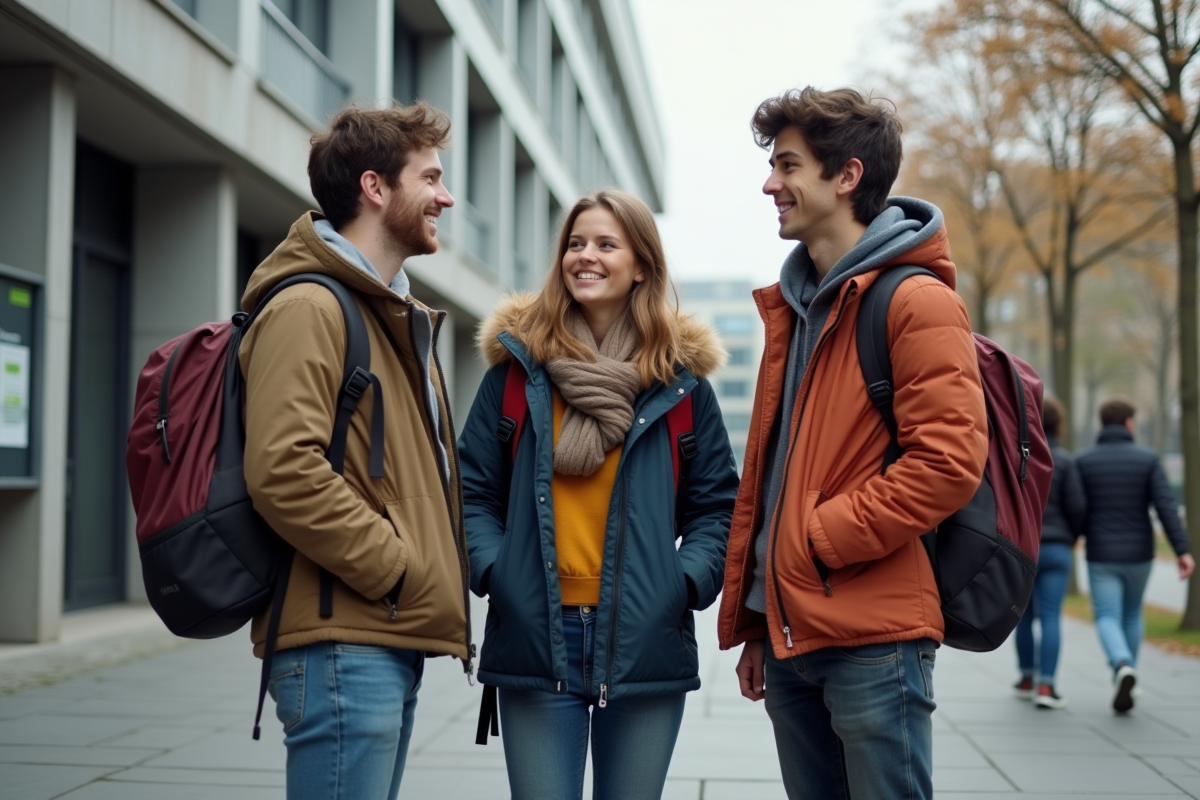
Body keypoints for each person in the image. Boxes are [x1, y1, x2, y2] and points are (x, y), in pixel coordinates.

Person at [716, 87, 988, 800]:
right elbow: (779, 473)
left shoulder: (915, 300)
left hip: (874, 640)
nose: (770, 183)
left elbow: (948, 463)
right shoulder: (798, 307)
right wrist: (757, 614)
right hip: (792, 640)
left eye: (788, 165)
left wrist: (820, 540)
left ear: (847, 176)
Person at [458, 189, 739, 800]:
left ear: (641, 264)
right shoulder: (516, 373)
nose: (585, 256)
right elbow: (470, 491)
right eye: (575, 244)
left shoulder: (681, 385)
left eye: (606, 244)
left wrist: (681, 581)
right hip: (536, 633)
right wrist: (496, 570)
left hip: (644, 637)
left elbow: (718, 507)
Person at [239, 102, 471, 800]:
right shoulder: (311, 307)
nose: (446, 196)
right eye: (430, 177)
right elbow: (283, 470)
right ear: (376, 187)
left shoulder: (387, 310)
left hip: (376, 634)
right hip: (346, 637)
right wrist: (396, 570)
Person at [1076, 397, 1195, 713]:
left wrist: (1077, 535)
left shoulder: (1085, 460)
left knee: (1106, 615)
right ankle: (1130, 674)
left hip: (1101, 551)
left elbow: (1077, 507)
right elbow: (1165, 506)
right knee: (1132, 613)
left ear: (1103, 423)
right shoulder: (1147, 459)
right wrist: (1182, 549)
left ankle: (1121, 664)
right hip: (1140, 552)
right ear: (1129, 423)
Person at [1014, 396, 1086, 709]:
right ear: (1060, 425)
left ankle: (1026, 677)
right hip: (1056, 548)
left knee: (1023, 617)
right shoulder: (1066, 461)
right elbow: (1078, 506)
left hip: (1023, 548)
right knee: (1052, 616)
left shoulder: (1017, 457)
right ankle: (1046, 686)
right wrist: (1072, 536)